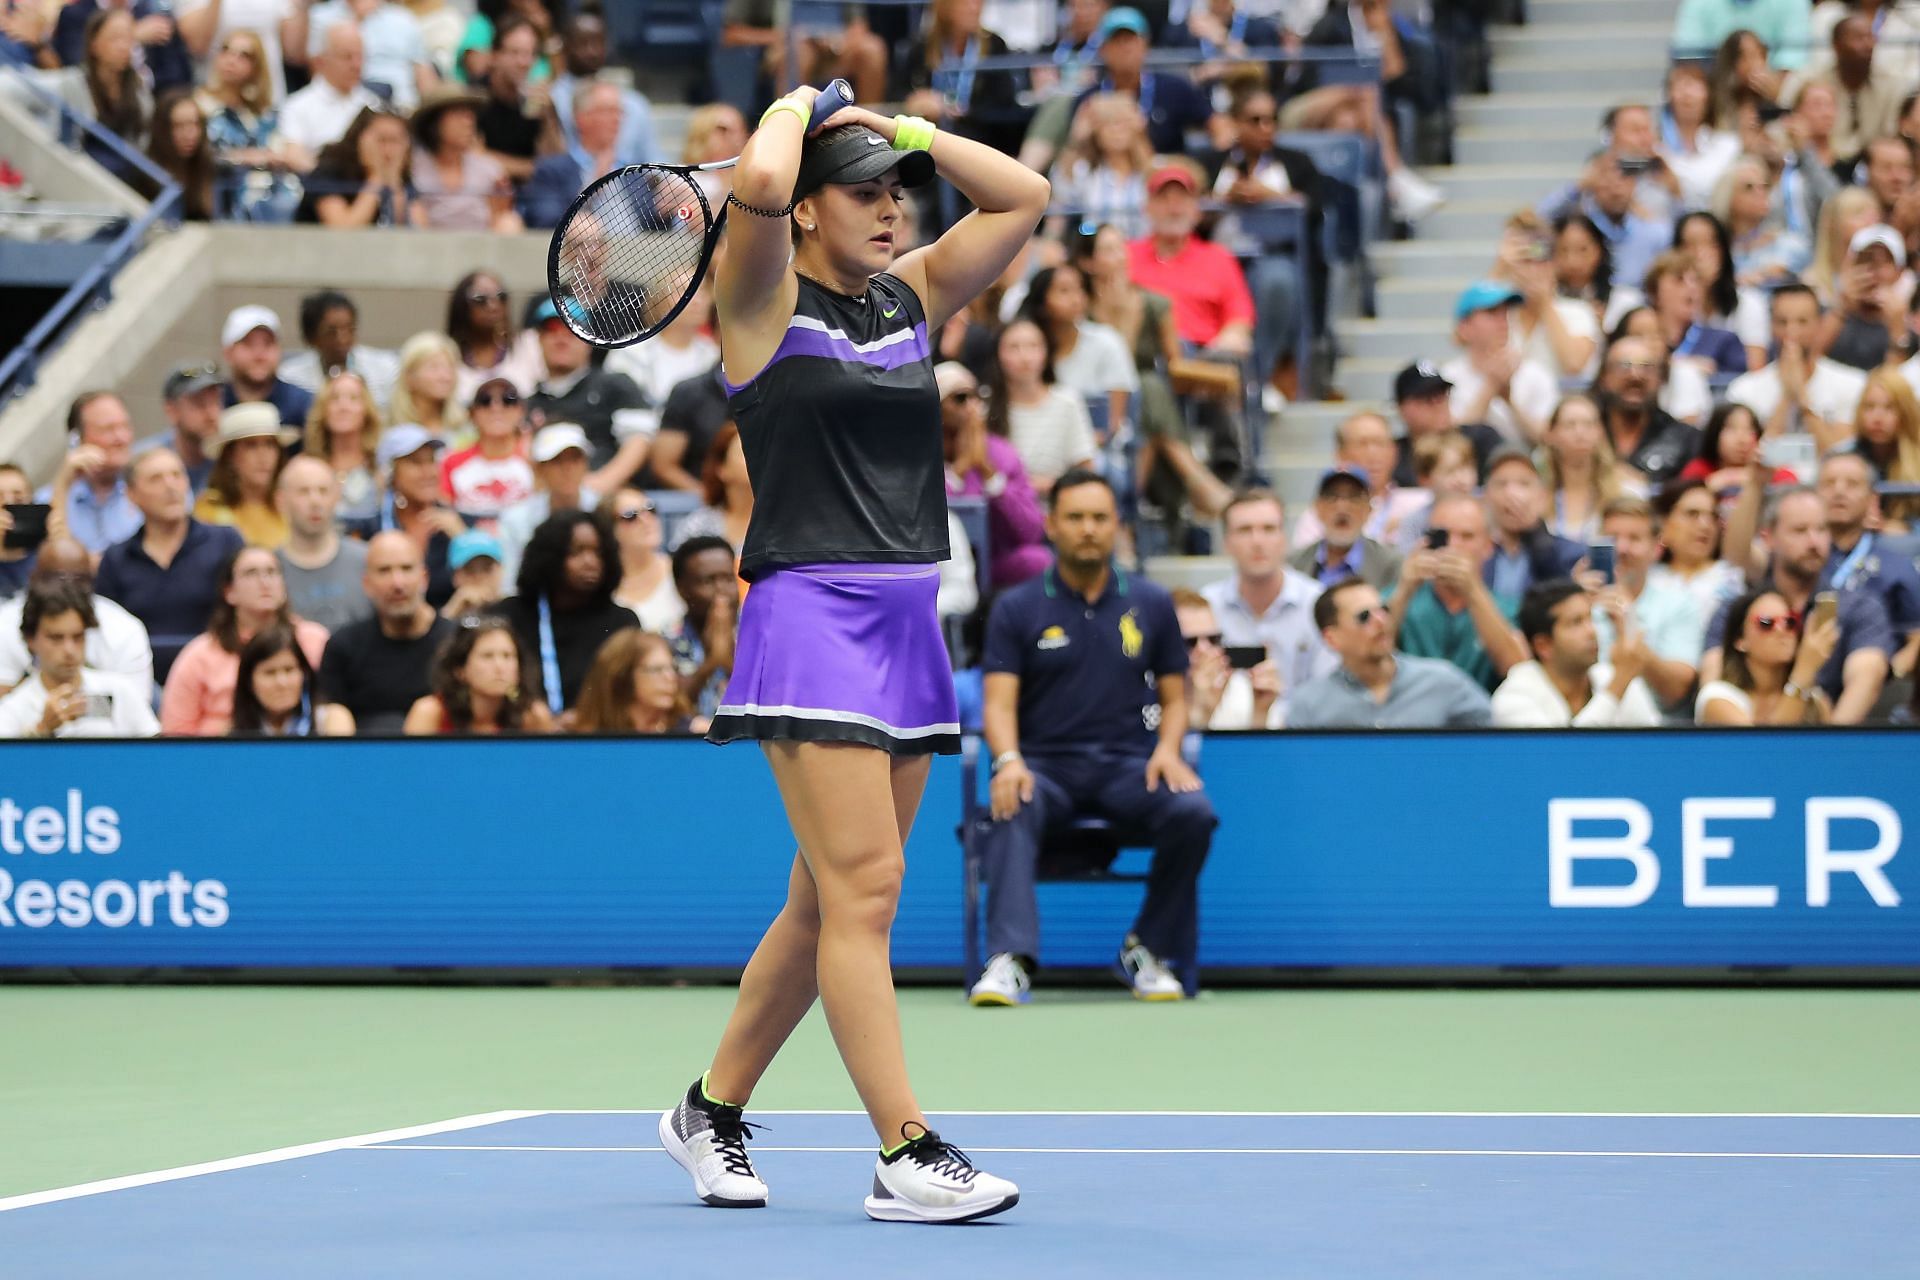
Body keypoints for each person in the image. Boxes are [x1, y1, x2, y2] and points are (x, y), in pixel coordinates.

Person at [660, 83, 1046, 1221]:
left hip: (905, 621)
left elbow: (1023, 194)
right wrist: (788, 109)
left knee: (830, 900)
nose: (888, 211)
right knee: (869, 889)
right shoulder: (758, 295)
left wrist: (915, 131)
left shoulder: (914, 293)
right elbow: (765, 185)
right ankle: (905, 1150)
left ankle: (707, 1109)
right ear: (813, 212)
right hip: (809, 615)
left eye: (896, 195)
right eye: (863, 194)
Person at [974, 470, 1211, 1003]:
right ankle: (1009, 960)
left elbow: (1177, 697)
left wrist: (1169, 751)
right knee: (1011, 802)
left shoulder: (1151, 603)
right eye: (1075, 517)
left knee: (1193, 812)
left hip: (1129, 767)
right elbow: (998, 702)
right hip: (1045, 768)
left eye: (1100, 518)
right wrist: (1009, 760)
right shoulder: (1016, 606)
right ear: (1051, 525)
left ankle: (1145, 949)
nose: (1088, 529)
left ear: (1117, 527)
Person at [1700, 487, 1892, 723]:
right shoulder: (1720, 696)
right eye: (1766, 623)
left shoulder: (1859, 606)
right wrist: (1804, 669)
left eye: (1791, 622)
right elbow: (1767, 753)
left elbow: (1868, 674)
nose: (1814, 542)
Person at [93, 448, 245, 684]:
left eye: (177, 475)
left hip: (218, 676)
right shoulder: (116, 560)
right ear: (132, 494)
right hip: (141, 680)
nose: (170, 486)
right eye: (156, 479)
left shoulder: (225, 542)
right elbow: (106, 635)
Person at [1198, 489, 1333, 726]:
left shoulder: (1319, 603)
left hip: (1304, 739)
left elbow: (1329, 693)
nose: (1257, 542)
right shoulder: (1205, 609)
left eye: (1269, 529)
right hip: (1226, 741)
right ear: (1226, 543)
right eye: (1244, 530)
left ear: (1285, 539)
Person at [161, 546, 329, 735]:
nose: (265, 582)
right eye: (251, 573)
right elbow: (175, 733)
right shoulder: (199, 655)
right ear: (229, 592)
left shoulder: (315, 640)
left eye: (272, 572)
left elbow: (335, 708)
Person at [1288, 578, 1492, 729]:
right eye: (1364, 616)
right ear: (1332, 638)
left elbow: (1495, 745)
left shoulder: (1443, 682)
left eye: (1383, 609)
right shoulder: (1309, 705)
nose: (1380, 621)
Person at [486, 511, 635, 713]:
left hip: (599, 737)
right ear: (550, 557)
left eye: (598, 553)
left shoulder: (622, 622)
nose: (590, 562)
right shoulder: (508, 616)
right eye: (577, 552)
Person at [316, 530, 455, 733]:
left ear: (424, 578)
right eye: (384, 571)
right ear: (366, 584)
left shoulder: (456, 643)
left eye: (406, 569)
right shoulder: (343, 646)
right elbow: (329, 717)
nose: (397, 583)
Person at [1390, 494, 1528, 691]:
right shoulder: (1401, 596)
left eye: (1467, 536)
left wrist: (1473, 591)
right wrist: (1403, 590)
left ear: (1488, 546)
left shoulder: (1508, 608)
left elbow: (1517, 672)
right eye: (1442, 536)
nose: (1453, 546)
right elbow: (1365, 657)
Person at [0, 578, 159, 738]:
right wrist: (42, 730)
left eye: (78, 637)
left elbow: (158, 753)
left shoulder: (119, 691)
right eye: (56, 638)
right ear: (31, 640)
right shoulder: (12, 710)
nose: (69, 650)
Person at [1491, 580, 1662, 728]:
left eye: (1590, 618)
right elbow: (1563, 759)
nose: (1592, 631)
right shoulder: (1513, 699)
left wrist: (1619, 681)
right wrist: (1617, 685)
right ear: (1543, 646)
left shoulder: (1610, 676)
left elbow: (1657, 749)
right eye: (1576, 623)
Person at [938, 361, 1050, 588]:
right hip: (940, 565)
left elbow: (1030, 530)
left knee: (1037, 560)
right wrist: (960, 469)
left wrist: (987, 471)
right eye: (960, 398)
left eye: (976, 396)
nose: (971, 406)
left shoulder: (1002, 453)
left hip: (995, 560)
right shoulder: (918, 452)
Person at [525, 298, 653, 495]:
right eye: (551, 330)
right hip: (547, 503)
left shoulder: (615, 384)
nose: (561, 338)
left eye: (571, 329)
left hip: (609, 500)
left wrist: (598, 486)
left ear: (589, 339)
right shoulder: (527, 403)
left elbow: (639, 441)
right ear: (539, 340)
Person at [0, 538, 153, 701]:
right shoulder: (5, 623)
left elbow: (134, 709)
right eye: (55, 638)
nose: (66, 591)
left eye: (78, 580)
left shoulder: (124, 629)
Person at [1591, 496, 1705, 711]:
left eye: (1634, 538)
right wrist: (1576, 607)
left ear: (1656, 548)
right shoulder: (1578, 601)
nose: (1622, 548)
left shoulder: (1679, 604)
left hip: (1654, 732)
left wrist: (1628, 624)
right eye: (1612, 537)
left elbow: (1676, 691)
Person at [1726, 282, 1868, 454]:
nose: (1791, 331)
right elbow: (1756, 458)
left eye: (1802, 322)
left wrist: (1801, 396)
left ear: (1819, 324)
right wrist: (1787, 396)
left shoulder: (1852, 384)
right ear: (1771, 326)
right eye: (1782, 322)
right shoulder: (1743, 390)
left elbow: (1839, 457)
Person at [194, 27, 308, 222]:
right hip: (219, 195)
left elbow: (280, 153)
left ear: (257, 67)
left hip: (268, 196)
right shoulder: (197, 105)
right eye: (226, 50)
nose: (232, 60)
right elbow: (195, 155)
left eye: (243, 55)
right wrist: (241, 157)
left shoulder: (262, 114)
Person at [1018, 263, 1137, 439]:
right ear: (1042, 302)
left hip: (1098, 446)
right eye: (1064, 291)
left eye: (1079, 289)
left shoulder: (1106, 342)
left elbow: (1113, 422)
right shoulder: (1027, 349)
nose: (1076, 298)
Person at [1291, 413, 1431, 555]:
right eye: (1362, 444)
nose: (1373, 454)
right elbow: (1306, 569)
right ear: (1340, 454)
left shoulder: (1422, 505)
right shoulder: (1320, 515)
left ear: (1395, 452)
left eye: (1380, 443)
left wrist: (1409, 525)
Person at [1697, 585, 1839, 723]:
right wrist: (1803, 672)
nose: (1781, 630)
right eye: (1766, 623)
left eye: (1790, 622)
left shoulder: (1815, 702)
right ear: (1740, 640)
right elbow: (1767, 746)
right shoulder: (1717, 698)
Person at [1441, 280, 1558, 445]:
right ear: (1464, 327)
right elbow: (1452, 442)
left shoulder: (1535, 374)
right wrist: (1491, 386)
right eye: (1491, 312)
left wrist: (1509, 400)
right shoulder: (1447, 378)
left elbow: (1549, 440)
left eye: (1505, 312)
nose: (1503, 320)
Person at [517, 80, 637, 229]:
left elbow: (654, 222)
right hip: (584, 250)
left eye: (619, 112)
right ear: (581, 118)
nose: (616, 119)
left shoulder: (634, 172)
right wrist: (594, 185)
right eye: (608, 111)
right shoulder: (551, 172)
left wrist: (668, 208)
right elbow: (545, 220)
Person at [403, 614, 551, 734]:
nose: (500, 667)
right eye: (487, 656)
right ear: (460, 670)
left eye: (508, 656)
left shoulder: (534, 717)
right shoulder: (430, 713)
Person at [276, 455, 372, 633]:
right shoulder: (270, 570)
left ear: (337, 497)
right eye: (303, 491)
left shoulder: (367, 560)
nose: (315, 501)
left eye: (323, 491)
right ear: (281, 500)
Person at [1592, 333, 1701, 487]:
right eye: (1624, 365)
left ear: (1662, 379)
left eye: (1647, 367)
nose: (1635, 375)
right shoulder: (1581, 432)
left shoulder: (1685, 438)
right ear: (1604, 377)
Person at [409, 83, 521, 233]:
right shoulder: (413, 167)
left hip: (481, 248)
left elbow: (499, 216)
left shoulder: (490, 169)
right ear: (434, 123)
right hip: (428, 249)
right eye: (458, 114)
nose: (469, 122)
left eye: (470, 115)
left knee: (510, 222)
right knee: (414, 211)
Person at [41, 391, 141, 556]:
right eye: (108, 429)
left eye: (125, 426)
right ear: (77, 439)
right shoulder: (50, 500)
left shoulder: (153, 484)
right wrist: (63, 483)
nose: (121, 438)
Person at [496, 423, 598, 584]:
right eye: (557, 461)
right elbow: (509, 582)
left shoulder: (606, 511)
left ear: (586, 464)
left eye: (575, 459)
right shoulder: (515, 520)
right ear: (540, 469)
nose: (568, 469)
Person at [548, 10, 654, 164]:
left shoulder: (633, 104)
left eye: (598, 42)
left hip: (628, 185)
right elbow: (553, 164)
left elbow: (652, 162)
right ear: (566, 46)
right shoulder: (551, 100)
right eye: (582, 43)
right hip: (574, 184)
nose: (591, 51)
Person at [298, 103, 427, 228]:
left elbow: (417, 233)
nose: (388, 150)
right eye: (381, 140)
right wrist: (375, 177)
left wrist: (394, 181)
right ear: (359, 139)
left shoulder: (401, 173)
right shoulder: (330, 169)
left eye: (395, 141)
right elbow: (343, 232)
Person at [1482, 447, 1587, 600]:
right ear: (1486, 496)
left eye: (1524, 484)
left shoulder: (1571, 555)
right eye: (1501, 484)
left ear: (1543, 496)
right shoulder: (1475, 553)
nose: (1512, 494)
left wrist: (1535, 530)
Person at [375, 423, 462, 608]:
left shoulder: (459, 522)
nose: (428, 472)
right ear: (391, 473)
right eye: (415, 462)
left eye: (431, 460)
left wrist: (463, 540)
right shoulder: (372, 528)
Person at [1047, 92, 1153, 239]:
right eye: (1108, 123)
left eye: (1123, 123)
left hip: (1144, 252)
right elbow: (1061, 190)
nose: (1116, 131)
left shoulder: (1154, 170)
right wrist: (1076, 139)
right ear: (1095, 132)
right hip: (1099, 253)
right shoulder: (1085, 171)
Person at [1173, 589, 1281, 730]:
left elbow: (1265, 750)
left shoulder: (1243, 692)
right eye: (1190, 642)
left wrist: (1260, 714)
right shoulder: (1148, 696)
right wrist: (1202, 712)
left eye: (1213, 639)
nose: (1205, 650)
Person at [1650, 477, 1749, 630]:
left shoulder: (1732, 578)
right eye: (1692, 514)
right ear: (1664, 523)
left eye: (1713, 516)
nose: (1705, 525)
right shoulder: (1648, 579)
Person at [194, 402, 297, 549]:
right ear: (230, 455)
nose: (263, 456)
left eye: (269, 444)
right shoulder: (210, 508)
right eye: (251, 445)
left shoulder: (290, 506)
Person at [279, 291, 401, 410]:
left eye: (350, 329)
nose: (343, 339)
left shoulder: (385, 369)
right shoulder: (290, 378)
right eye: (331, 332)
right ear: (311, 337)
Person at [1288, 466, 1403, 592]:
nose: (1342, 508)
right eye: (1332, 497)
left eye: (1353, 498)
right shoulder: (1294, 565)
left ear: (1369, 510)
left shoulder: (1389, 565)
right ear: (1317, 508)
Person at [305, 0, 435, 110]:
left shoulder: (403, 18)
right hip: (347, 107)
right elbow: (320, 72)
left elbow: (424, 74)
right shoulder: (322, 16)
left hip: (403, 106)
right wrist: (358, 17)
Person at [664, 534, 738, 724]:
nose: (721, 590)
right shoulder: (667, 641)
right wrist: (712, 662)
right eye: (708, 581)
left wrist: (729, 659)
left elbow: (771, 702)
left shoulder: (762, 634)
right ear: (682, 589)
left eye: (728, 579)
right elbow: (670, 709)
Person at [1390, 361, 1501, 487]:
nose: (1439, 403)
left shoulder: (1481, 439)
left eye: (1443, 394)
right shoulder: (1392, 456)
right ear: (1402, 408)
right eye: (1427, 398)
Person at [439, 377, 533, 524]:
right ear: (472, 414)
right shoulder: (451, 462)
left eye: (508, 400)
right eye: (485, 400)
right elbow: (443, 512)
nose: (496, 408)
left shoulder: (536, 460)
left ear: (521, 411)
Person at [1820, 225, 1910, 373]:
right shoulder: (1824, 313)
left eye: (1885, 262)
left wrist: (1898, 329)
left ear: (1899, 272)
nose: (1874, 271)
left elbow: (1895, 389)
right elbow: (1809, 361)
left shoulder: (1910, 328)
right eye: (1865, 260)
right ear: (1848, 266)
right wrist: (1841, 306)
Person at [570, 628, 694, 734]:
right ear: (623, 677)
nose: (671, 677)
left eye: (672, 668)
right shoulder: (585, 738)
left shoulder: (695, 734)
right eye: (656, 670)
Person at [447, 270, 543, 405]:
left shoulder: (529, 345)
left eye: (501, 297)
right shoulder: (448, 356)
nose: (493, 305)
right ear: (462, 304)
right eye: (481, 299)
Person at [279, 23, 377, 153]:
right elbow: (294, 155)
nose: (356, 65)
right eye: (347, 57)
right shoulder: (297, 106)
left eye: (360, 57)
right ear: (322, 61)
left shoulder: (373, 104)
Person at [303, 371, 384, 528]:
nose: (343, 407)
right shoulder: (304, 466)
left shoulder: (381, 467)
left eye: (353, 398)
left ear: (366, 410)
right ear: (323, 409)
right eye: (334, 399)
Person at [1539, 395, 1622, 544]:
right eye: (1570, 425)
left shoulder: (1623, 491)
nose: (1580, 432)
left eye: (1589, 424)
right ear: (1551, 434)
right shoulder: (1537, 496)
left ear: (1601, 432)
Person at [1844, 367, 1920, 528]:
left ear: (1906, 412)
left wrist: (1902, 528)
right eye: (1869, 407)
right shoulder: (1843, 457)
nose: (1877, 418)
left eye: (1889, 408)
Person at [81, 9, 150, 181]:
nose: (123, 46)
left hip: (126, 180)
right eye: (115, 38)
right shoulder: (73, 83)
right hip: (83, 176)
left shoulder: (140, 93)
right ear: (94, 44)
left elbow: (142, 143)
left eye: (129, 39)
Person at [219, 305, 315, 429]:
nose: (260, 355)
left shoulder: (305, 406)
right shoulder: (213, 406)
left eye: (268, 344)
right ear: (228, 353)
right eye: (249, 344)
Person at [1679, 401, 1798, 498]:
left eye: (1750, 430)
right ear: (1715, 433)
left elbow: (1791, 490)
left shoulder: (1771, 472)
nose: (1742, 439)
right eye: (1731, 429)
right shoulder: (1698, 471)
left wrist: (1734, 478)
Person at [606, 489, 683, 634]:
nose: (646, 519)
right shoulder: (604, 587)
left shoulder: (682, 571)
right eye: (630, 515)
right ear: (610, 530)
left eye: (650, 509)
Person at [670, 426, 754, 555]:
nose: (757, 461)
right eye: (745, 452)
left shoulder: (784, 523)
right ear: (721, 469)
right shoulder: (697, 526)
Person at [228, 623, 324, 735]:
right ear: (249, 682)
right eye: (270, 673)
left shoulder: (329, 722)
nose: (282, 682)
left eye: (289, 670)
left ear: (305, 674)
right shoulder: (231, 736)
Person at [145, 89, 215, 220]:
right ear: (162, 129)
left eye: (195, 124)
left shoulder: (208, 167)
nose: (189, 134)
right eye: (178, 126)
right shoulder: (145, 173)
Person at [387, 331, 466, 444]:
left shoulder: (466, 427)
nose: (445, 377)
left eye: (450, 368)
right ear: (409, 377)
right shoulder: (389, 432)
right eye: (434, 368)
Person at [440, 528, 506, 621]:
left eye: (487, 568)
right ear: (455, 576)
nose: (480, 577)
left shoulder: (517, 610)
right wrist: (452, 612)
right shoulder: (448, 614)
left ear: (501, 570)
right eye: (470, 569)